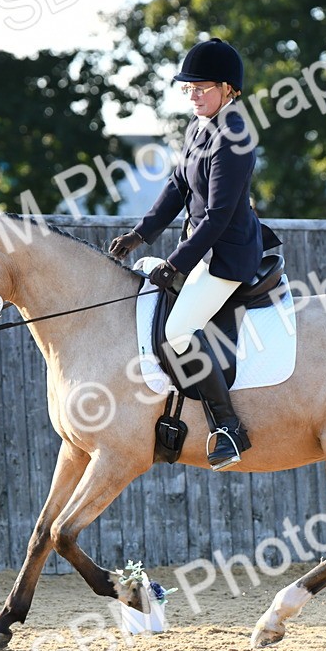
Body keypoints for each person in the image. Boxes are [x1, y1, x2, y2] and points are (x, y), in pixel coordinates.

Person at [109, 37, 280, 471]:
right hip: (201, 248)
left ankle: (228, 428)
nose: (194, 95)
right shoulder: (198, 128)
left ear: (229, 89)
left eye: (203, 88)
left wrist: (176, 263)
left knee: (178, 331)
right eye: (189, 88)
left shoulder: (235, 135)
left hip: (227, 255)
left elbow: (219, 215)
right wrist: (140, 235)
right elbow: (177, 188)